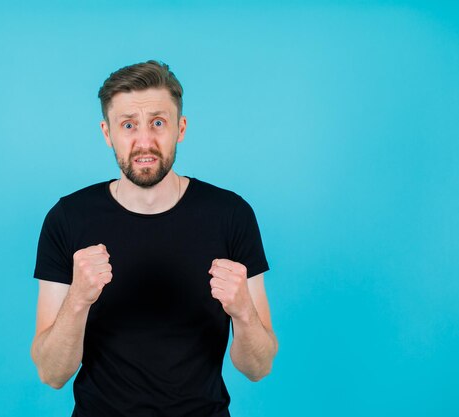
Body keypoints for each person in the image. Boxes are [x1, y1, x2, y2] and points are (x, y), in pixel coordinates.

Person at [30, 60, 278, 417]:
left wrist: (242, 311)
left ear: (181, 128)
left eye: (158, 123)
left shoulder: (231, 215)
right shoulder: (68, 219)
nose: (144, 141)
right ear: (106, 132)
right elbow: (51, 373)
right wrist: (78, 299)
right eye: (128, 125)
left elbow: (259, 367)